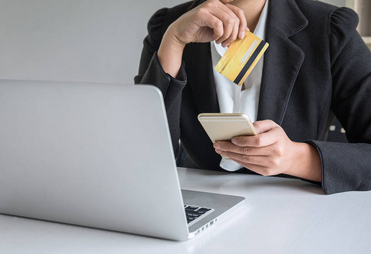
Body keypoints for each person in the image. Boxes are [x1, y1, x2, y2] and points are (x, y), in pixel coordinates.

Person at [134, 0, 371, 194]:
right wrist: (174, 42)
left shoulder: (329, 29)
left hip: (298, 209)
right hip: (200, 202)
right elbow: (141, 156)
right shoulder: (168, 28)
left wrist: (295, 158)